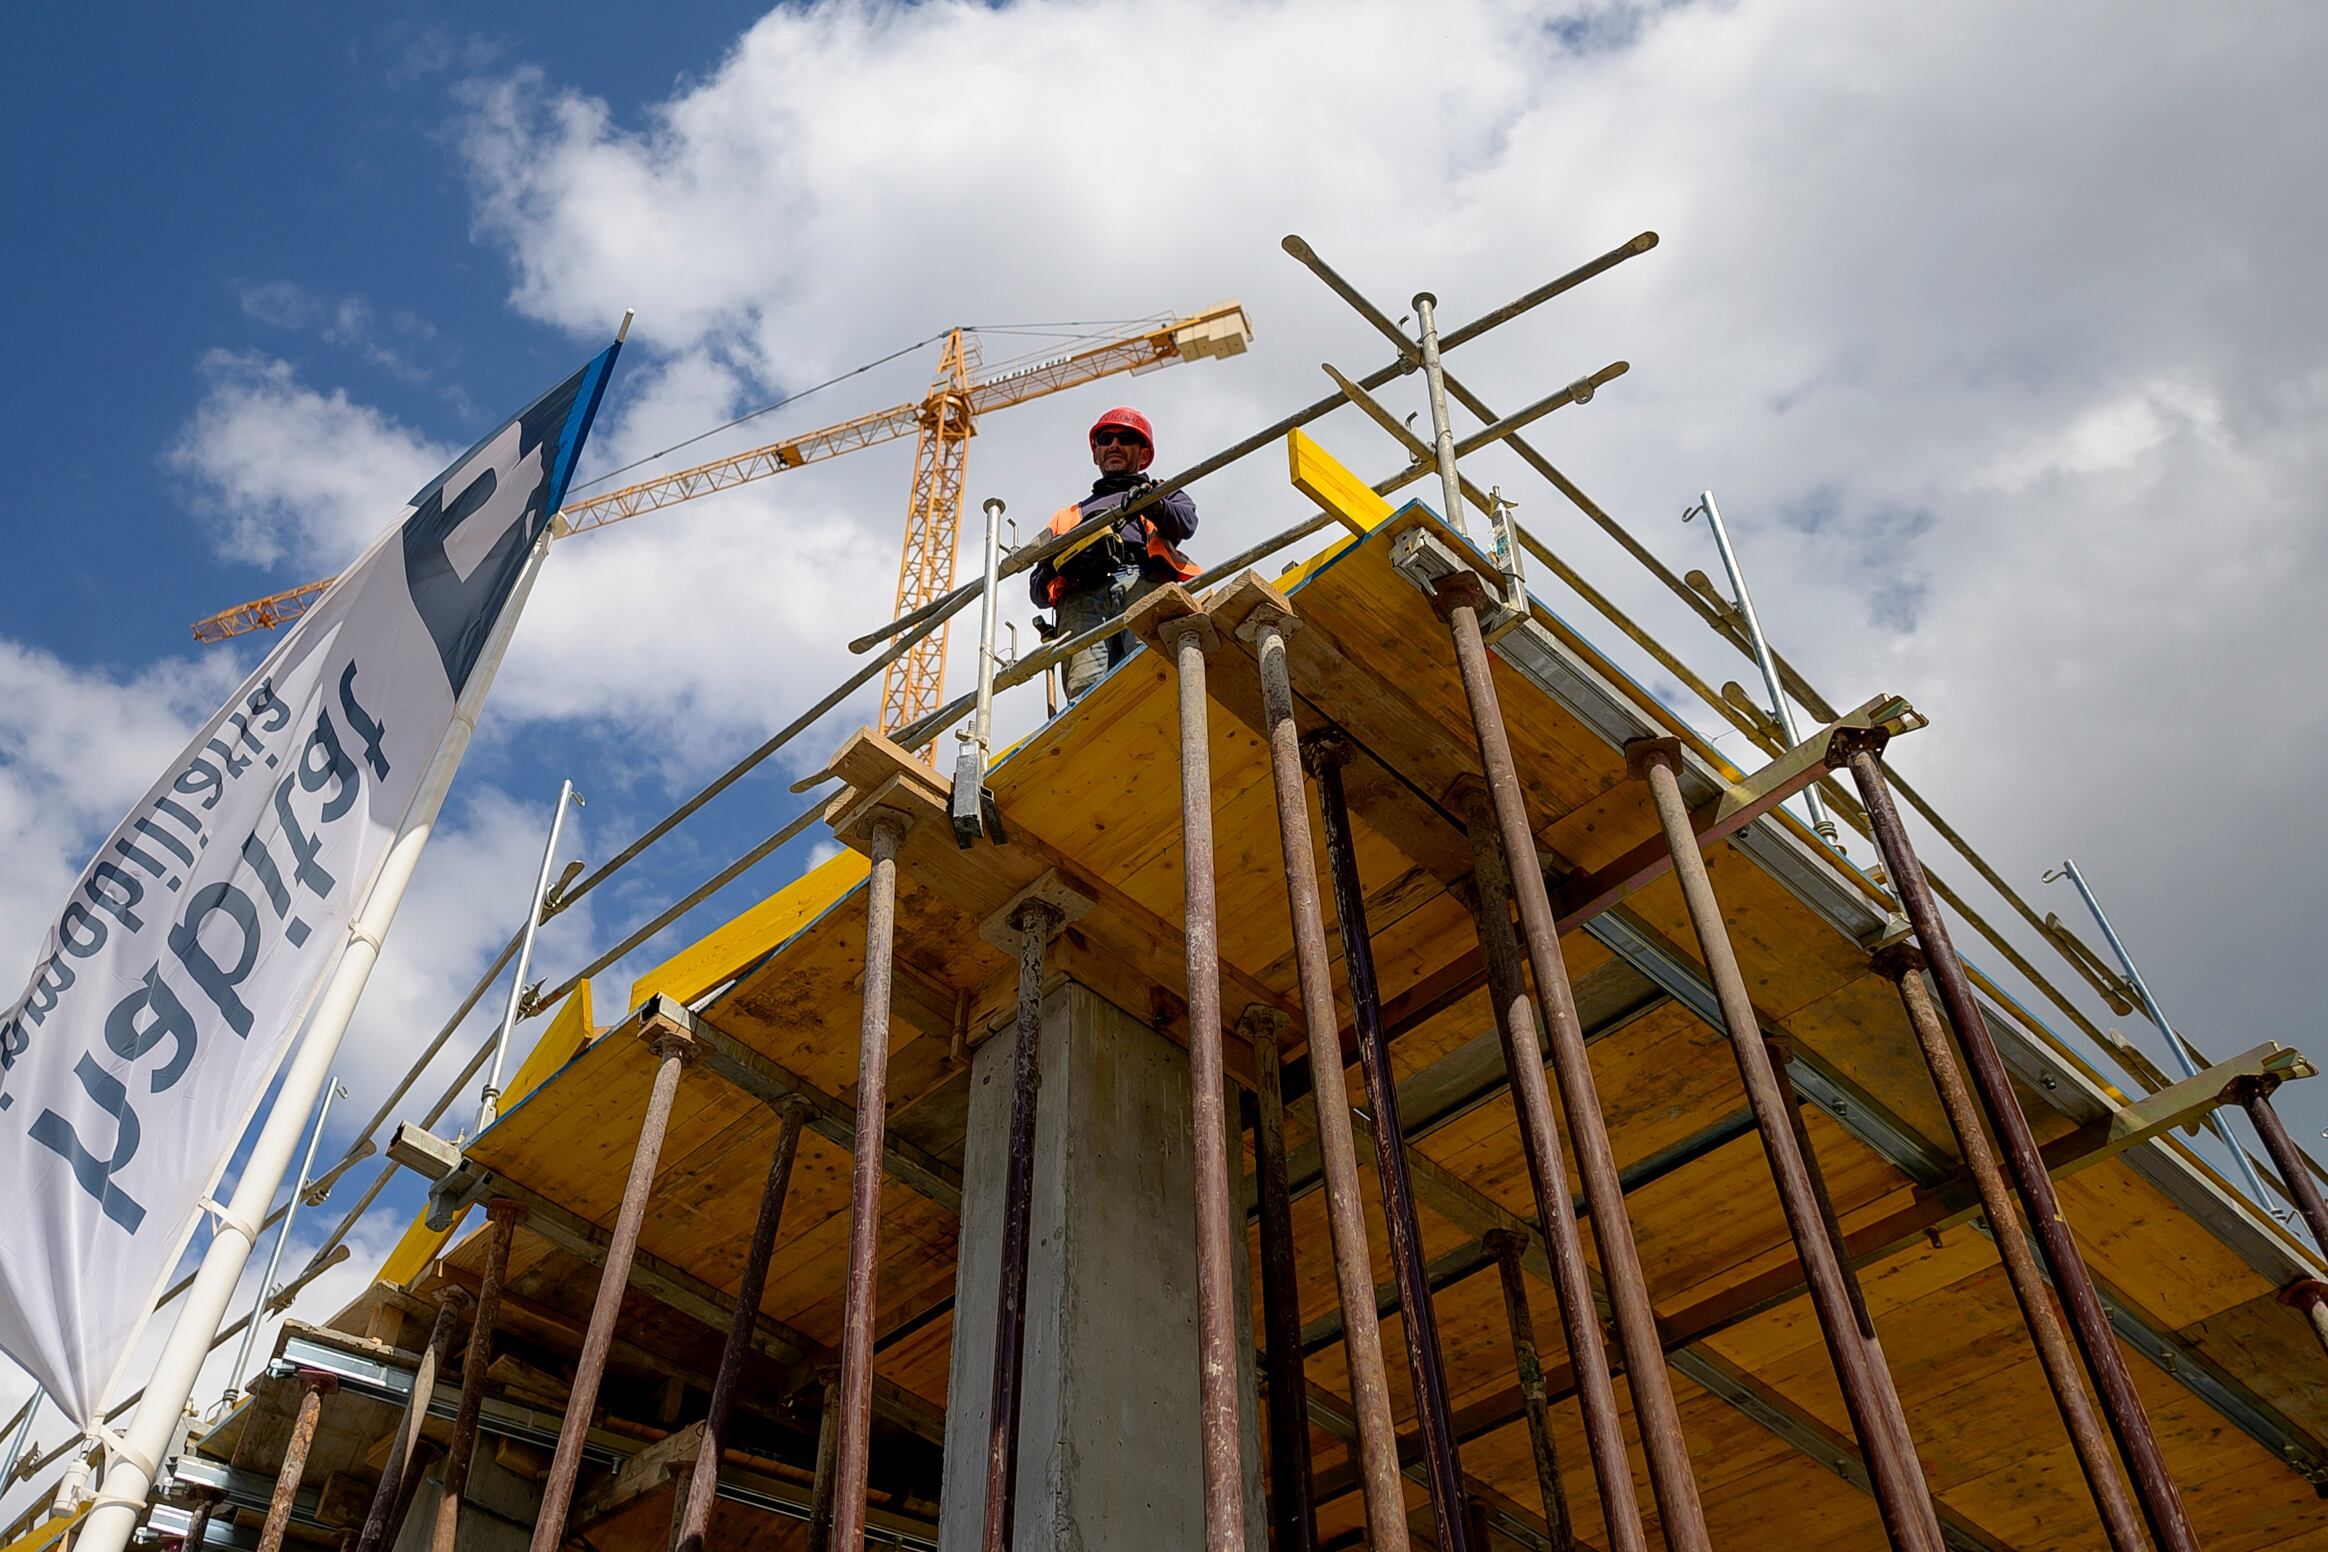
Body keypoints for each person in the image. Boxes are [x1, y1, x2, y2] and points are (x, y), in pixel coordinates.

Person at [1028, 406, 1200, 701]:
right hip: (1080, 602)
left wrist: (1152, 504)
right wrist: (1057, 564)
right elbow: (1038, 594)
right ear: (1096, 454)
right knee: (1087, 694)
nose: (1114, 445)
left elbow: (1186, 522)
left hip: (1140, 581)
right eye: (1106, 439)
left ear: (1143, 454)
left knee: (1152, 671)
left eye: (1126, 438)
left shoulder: (1160, 491)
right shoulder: (1067, 516)